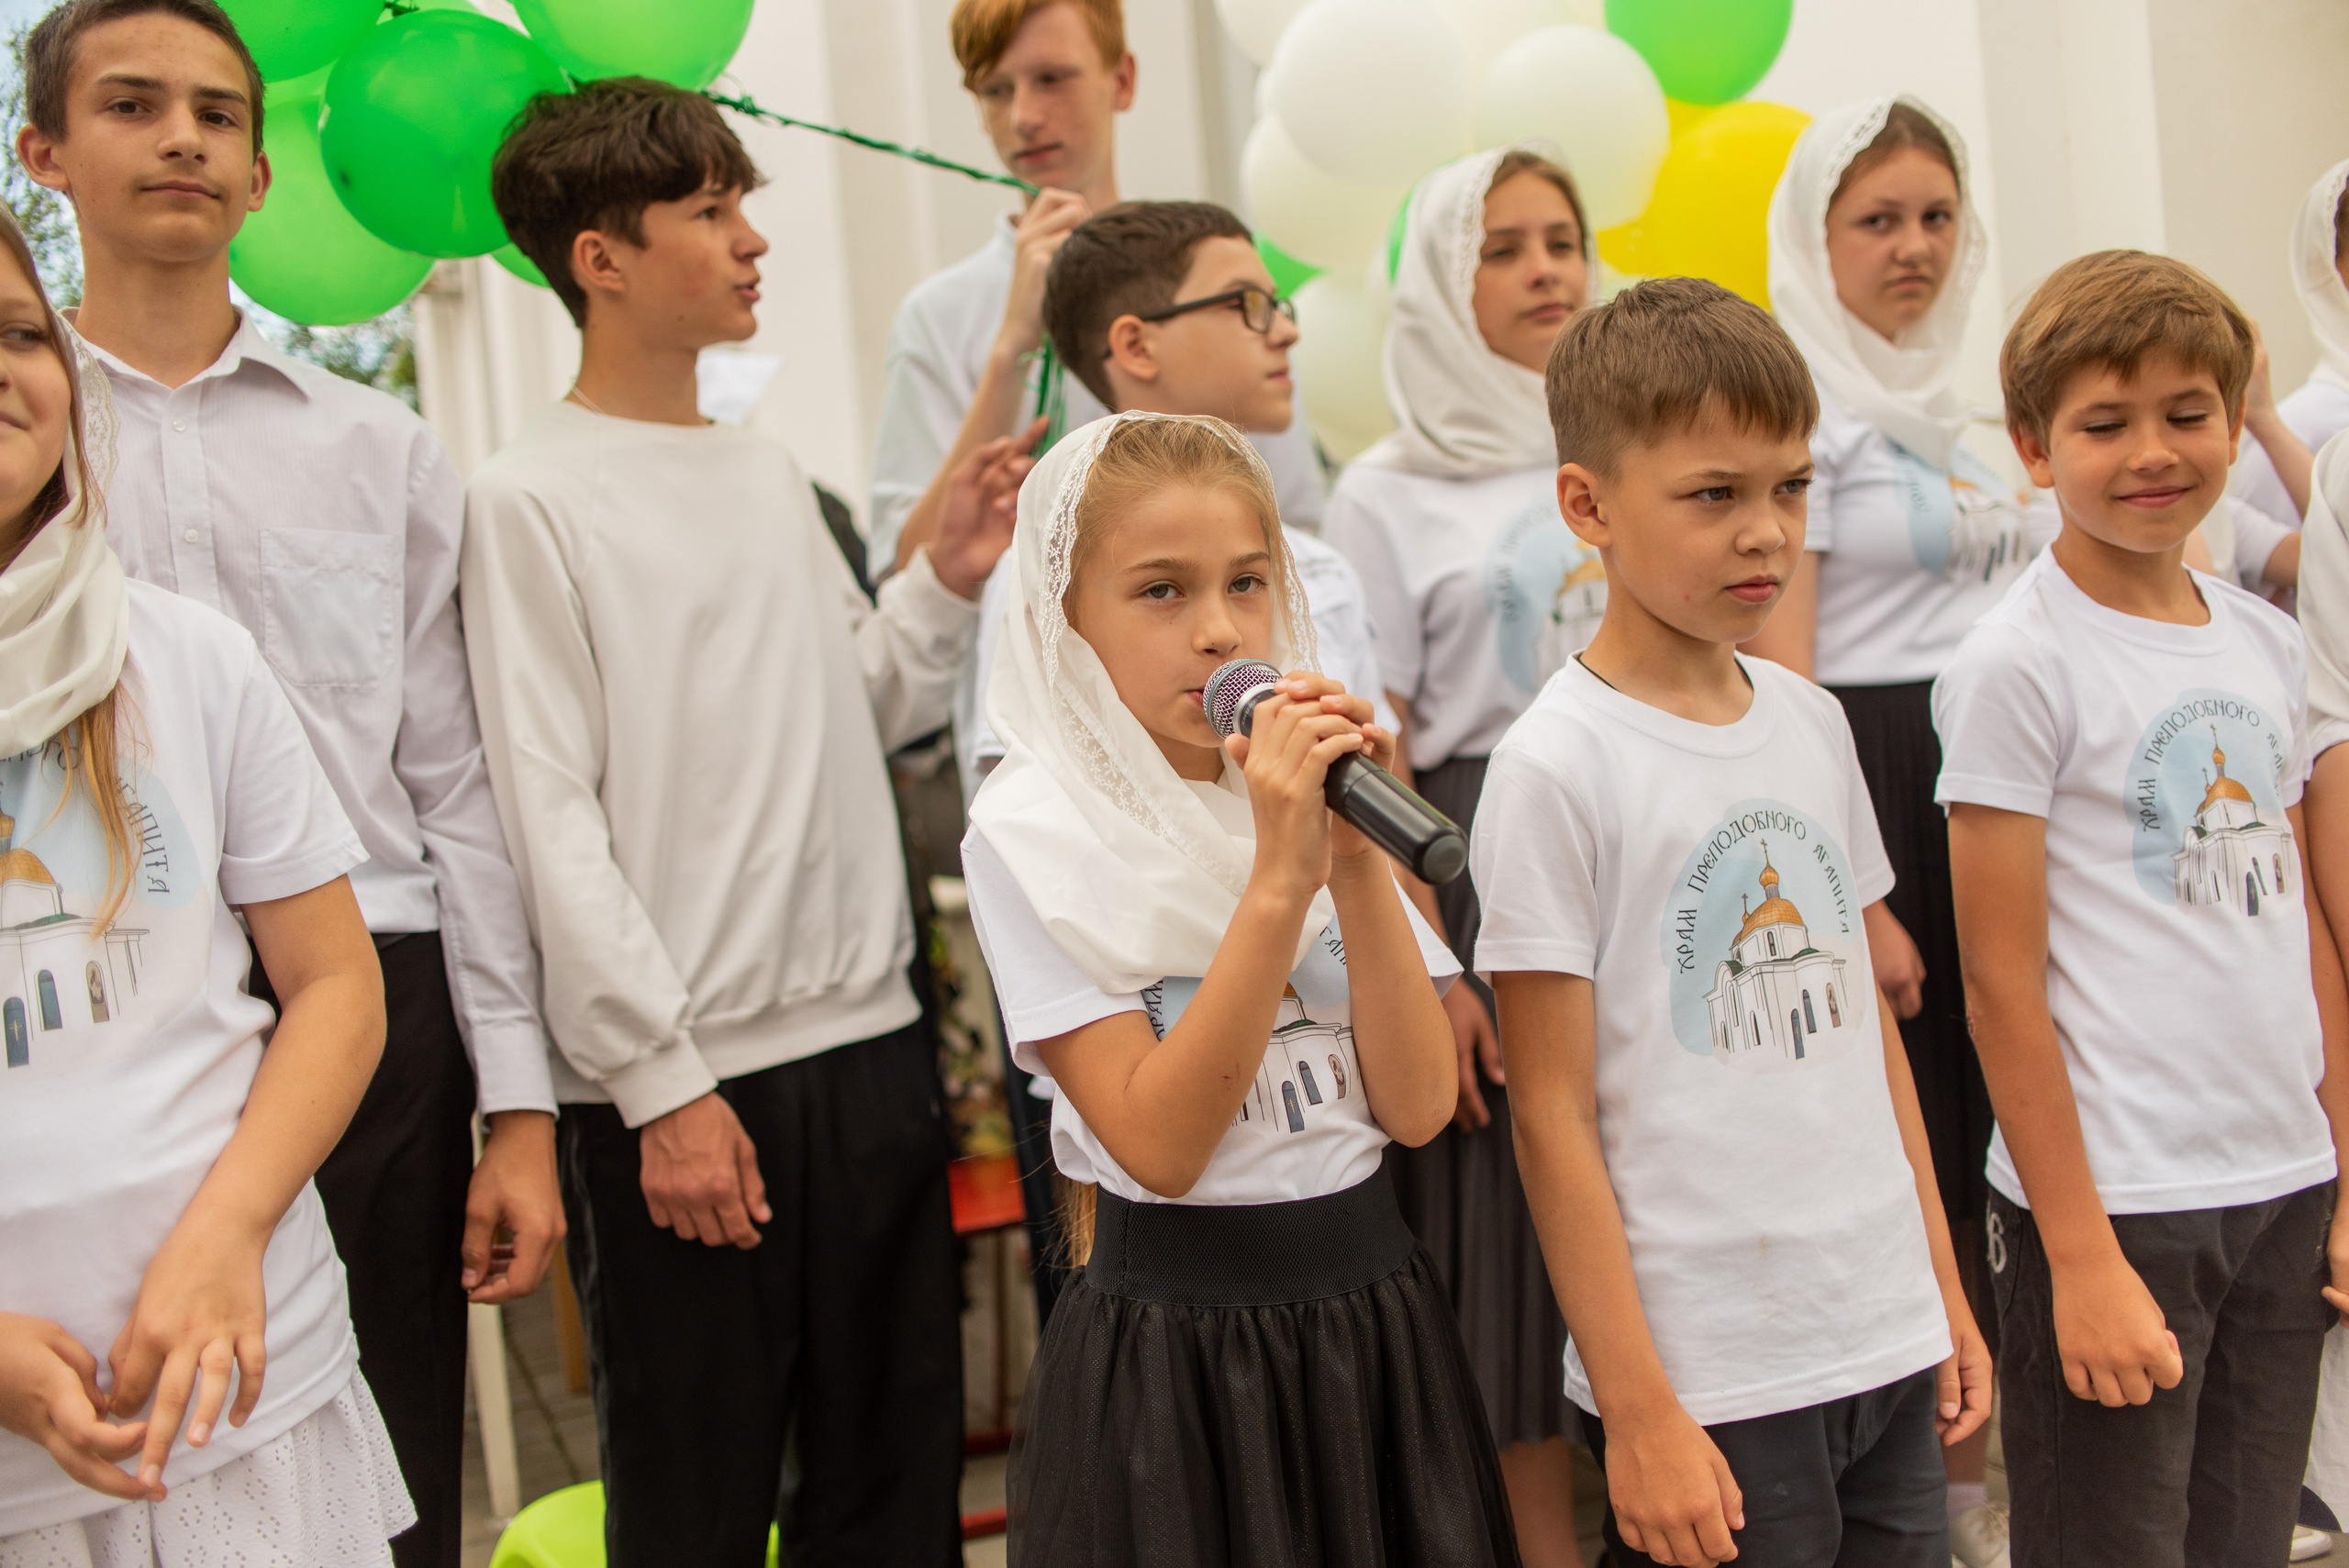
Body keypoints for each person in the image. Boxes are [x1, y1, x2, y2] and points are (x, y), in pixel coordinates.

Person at [14, 6, 562, 1562]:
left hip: (367, 998)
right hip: (97, 991)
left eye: (215, 112)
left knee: (384, 1467)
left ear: (262, 173)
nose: (182, 136)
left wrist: (516, 1102)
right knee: (116, 1434)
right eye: (132, 104)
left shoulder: (379, 450)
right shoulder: (24, 438)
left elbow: (456, 784)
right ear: (44, 150)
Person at [467, 77, 1026, 1567]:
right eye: (711, 211)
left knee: (890, 1478)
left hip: (873, 1048)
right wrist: (660, 1084)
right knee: (697, 1498)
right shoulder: (526, 500)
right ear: (601, 257)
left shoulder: (769, 473)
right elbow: (549, 815)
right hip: (695, 1086)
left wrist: (949, 577)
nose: (751, 240)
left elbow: (867, 702)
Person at [1480, 277, 1991, 1568]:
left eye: (1791, 489)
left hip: (1876, 1326)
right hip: (1709, 1371)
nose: (1765, 532)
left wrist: (1940, 1290)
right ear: (1587, 506)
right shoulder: (1555, 765)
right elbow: (1551, 1113)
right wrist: (1640, 1404)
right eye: (1715, 495)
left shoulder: (1810, 722)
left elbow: (1868, 1036)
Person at [960, 410, 1517, 1566]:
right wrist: (1278, 878)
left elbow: (1413, 1107)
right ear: (1065, 622)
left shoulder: (1313, 797)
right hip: (1178, 1354)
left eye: (1247, 583)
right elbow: (1158, 1144)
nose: (1220, 629)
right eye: (1161, 592)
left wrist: (1355, 860)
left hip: (1375, 1319)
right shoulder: (1032, 832)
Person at [0, 203, 410, 1564]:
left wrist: (224, 1236)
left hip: (251, 1389)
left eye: (18, 331)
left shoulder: (186, 655)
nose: (4, 366)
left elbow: (338, 987)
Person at [1937, 250, 2345, 1568]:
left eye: (2188, 413)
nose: (2153, 451)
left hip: (2282, 1180)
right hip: (2119, 1200)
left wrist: (2341, 1162)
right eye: (2104, 423)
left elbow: (2294, 926)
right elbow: (2000, 983)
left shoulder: (2263, 639)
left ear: (2237, 420)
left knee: (2245, 1540)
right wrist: (2080, 1254)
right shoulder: (2017, 661)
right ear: (2033, 447)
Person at [1319, 145, 1602, 1561]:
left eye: (1563, 239)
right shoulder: (1382, 487)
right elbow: (1379, 748)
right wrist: (1433, 962)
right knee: (1506, 1254)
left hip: (1630, 835)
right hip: (1474, 855)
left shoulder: (1616, 443)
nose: (1548, 268)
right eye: (1503, 247)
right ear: (1441, 281)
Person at [1743, 97, 2031, 1300]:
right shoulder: (1803, 418)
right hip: (1878, 774)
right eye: (1876, 220)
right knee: (1914, 1095)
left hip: (1998, 769)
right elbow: (1782, 675)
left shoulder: (1960, 419)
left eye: (1936, 217)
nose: (1914, 245)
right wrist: (1855, 895)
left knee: (2012, 1078)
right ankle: (1949, 1458)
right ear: (1815, 242)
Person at [869, 0, 1326, 584]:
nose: (1025, 117)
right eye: (995, 91)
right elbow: (906, 574)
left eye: (1052, 79)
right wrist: (1011, 349)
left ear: (1123, 81)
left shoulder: (1213, 284)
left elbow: (1297, 526)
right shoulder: (937, 317)